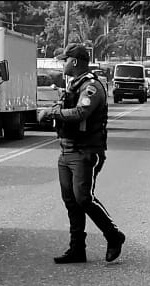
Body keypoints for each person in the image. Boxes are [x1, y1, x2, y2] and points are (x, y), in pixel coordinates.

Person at [37, 44, 125, 264]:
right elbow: (66, 107)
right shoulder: (73, 85)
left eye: (64, 60)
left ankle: (114, 235)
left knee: (84, 198)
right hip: (67, 150)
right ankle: (77, 248)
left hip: (86, 151)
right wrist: (54, 110)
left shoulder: (92, 87)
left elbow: (80, 112)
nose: (62, 63)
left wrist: (52, 112)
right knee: (71, 201)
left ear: (74, 62)